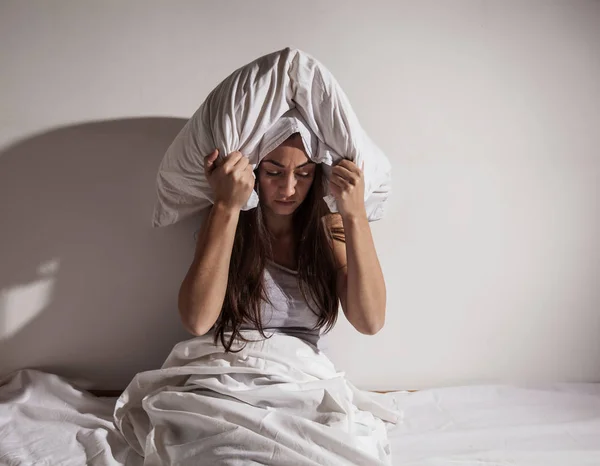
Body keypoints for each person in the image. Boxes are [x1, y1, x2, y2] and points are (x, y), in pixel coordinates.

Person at [178, 133, 386, 351]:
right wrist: (226, 205)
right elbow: (197, 321)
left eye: (304, 174)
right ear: (254, 170)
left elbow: (370, 322)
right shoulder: (229, 222)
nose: (288, 189)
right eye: (273, 172)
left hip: (298, 374)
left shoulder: (325, 228)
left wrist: (355, 214)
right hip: (229, 369)